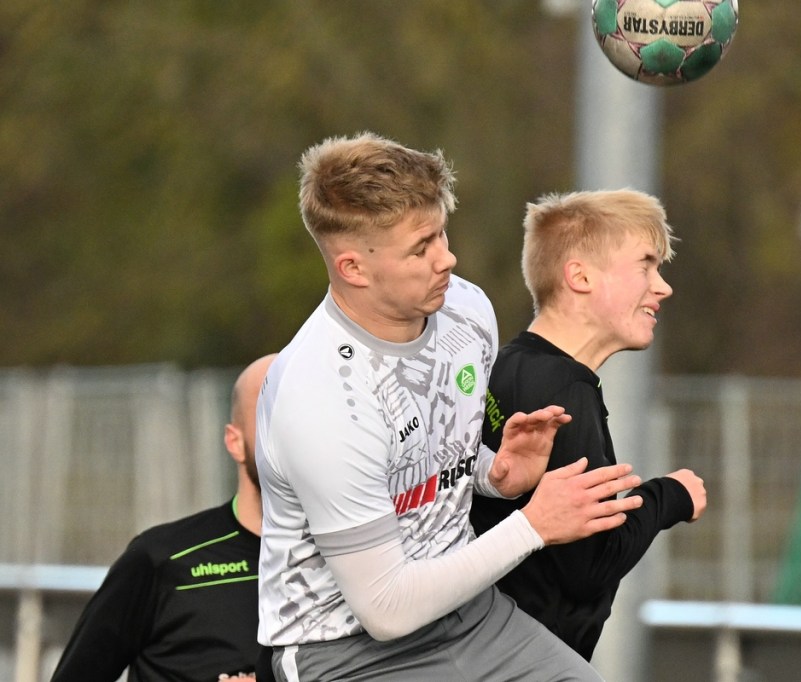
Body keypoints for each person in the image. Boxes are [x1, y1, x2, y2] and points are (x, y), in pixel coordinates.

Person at [255, 132, 645, 681]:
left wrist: (497, 473)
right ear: (353, 268)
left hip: (471, 617)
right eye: (421, 248)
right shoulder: (320, 398)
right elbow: (386, 610)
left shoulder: (465, 308)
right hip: (346, 650)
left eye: (441, 232)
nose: (448, 258)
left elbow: (426, 459)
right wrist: (533, 524)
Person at [470, 189, 708, 661]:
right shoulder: (564, 392)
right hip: (525, 662)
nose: (663, 287)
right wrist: (670, 496)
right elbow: (588, 568)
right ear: (579, 276)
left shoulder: (511, 362)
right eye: (646, 266)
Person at [51, 353, 277, 682]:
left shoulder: (346, 561)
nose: (293, 432)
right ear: (235, 442)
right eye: (272, 412)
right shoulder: (161, 559)